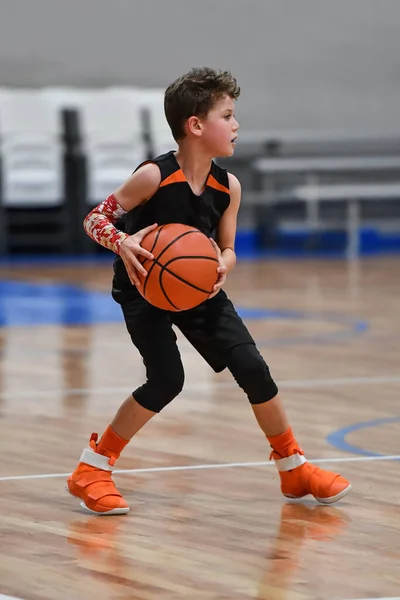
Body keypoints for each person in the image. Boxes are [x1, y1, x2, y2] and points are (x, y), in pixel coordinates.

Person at [67, 67, 351, 515]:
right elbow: (94, 219)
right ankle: (92, 468)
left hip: (199, 287)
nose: (237, 125)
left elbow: (229, 248)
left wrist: (224, 262)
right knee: (167, 380)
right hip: (146, 290)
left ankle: (293, 467)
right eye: (228, 115)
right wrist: (122, 242)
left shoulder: (228, 186)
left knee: (252, 366)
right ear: (195, 125)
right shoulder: (152, 177)